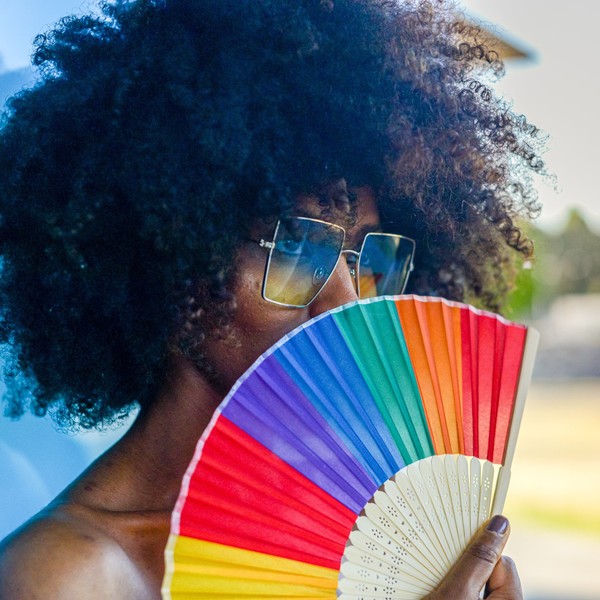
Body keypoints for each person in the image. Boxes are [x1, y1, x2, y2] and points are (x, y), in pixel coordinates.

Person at [0, 0, 544, 597]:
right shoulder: (69, 573)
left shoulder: (381, 548)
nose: (345, 305)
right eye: (296, 245)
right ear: (176, 254)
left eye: (372, 258)